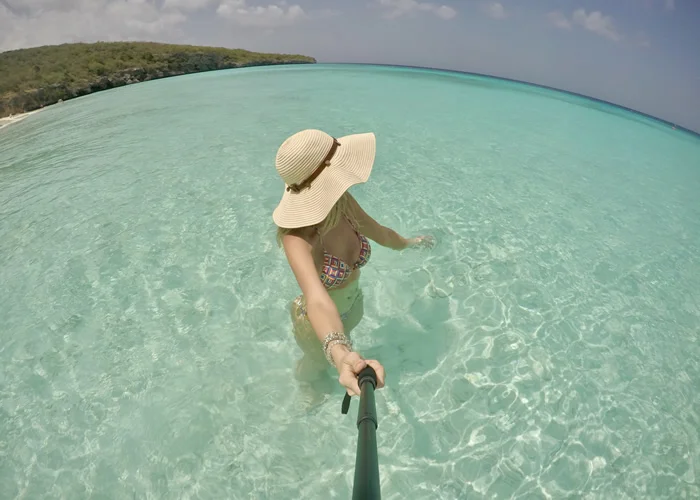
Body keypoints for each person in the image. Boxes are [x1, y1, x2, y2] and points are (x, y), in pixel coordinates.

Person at [272, 128, 433, 398]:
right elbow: (317, 300)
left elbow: (380, 232)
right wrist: (338, 349)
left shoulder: (341, 204)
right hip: (315, 327)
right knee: (314, 365)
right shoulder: (296, 239)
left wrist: (409, 244)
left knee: (339, 354)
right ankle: (307, 387)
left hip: (353, 306)